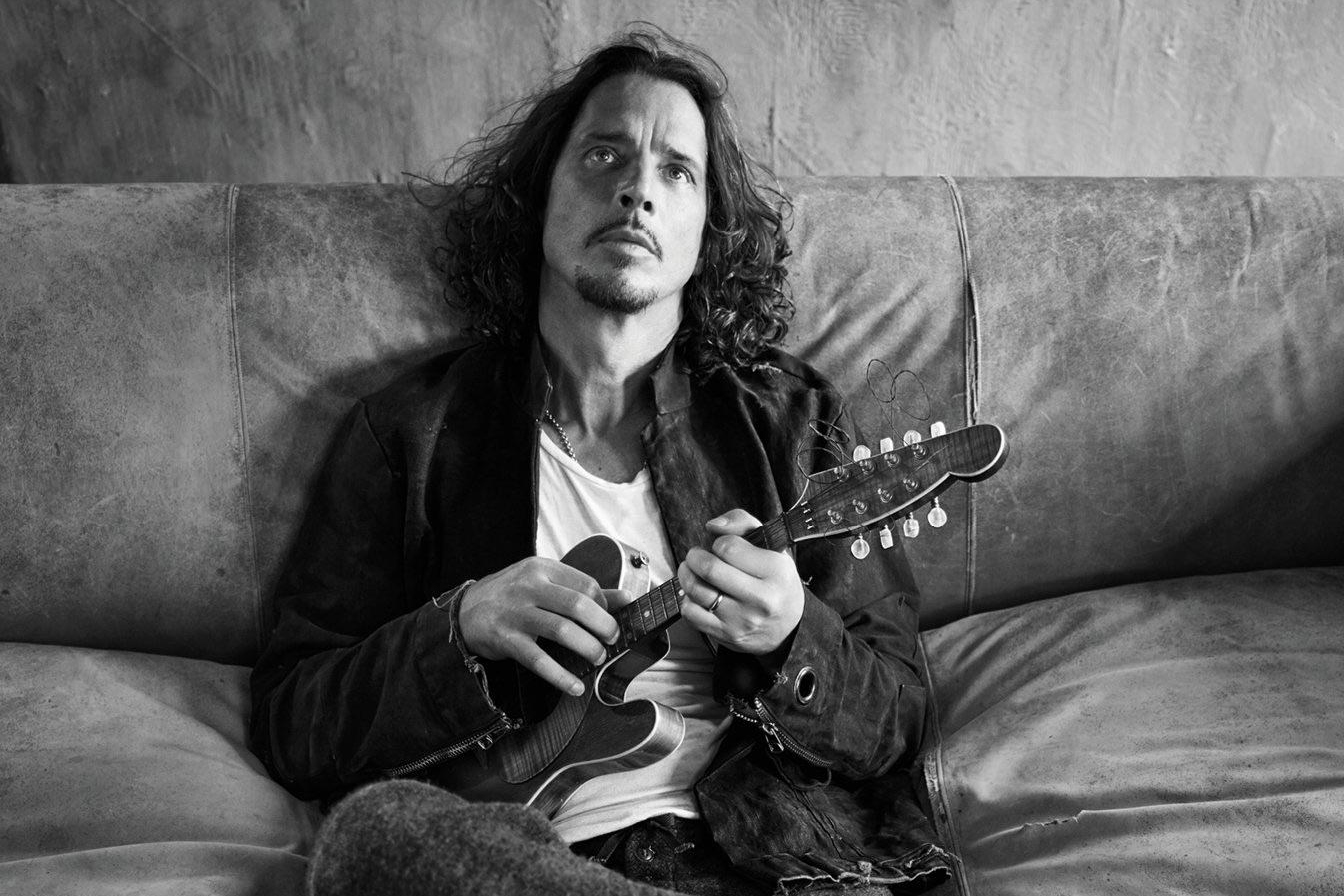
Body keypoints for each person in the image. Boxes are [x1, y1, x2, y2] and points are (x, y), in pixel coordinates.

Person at [249, 26, 952, 896]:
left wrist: (790, 637)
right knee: (373, 831)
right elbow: (293, 720)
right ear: (539, 195)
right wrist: (455, 631)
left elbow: (900, 717)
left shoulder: (792, 422)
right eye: (604, 155)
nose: (638, 192)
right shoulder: (411, 431)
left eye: (677, 172)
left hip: (764, 867)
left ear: (707, 231)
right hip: (522, 864)